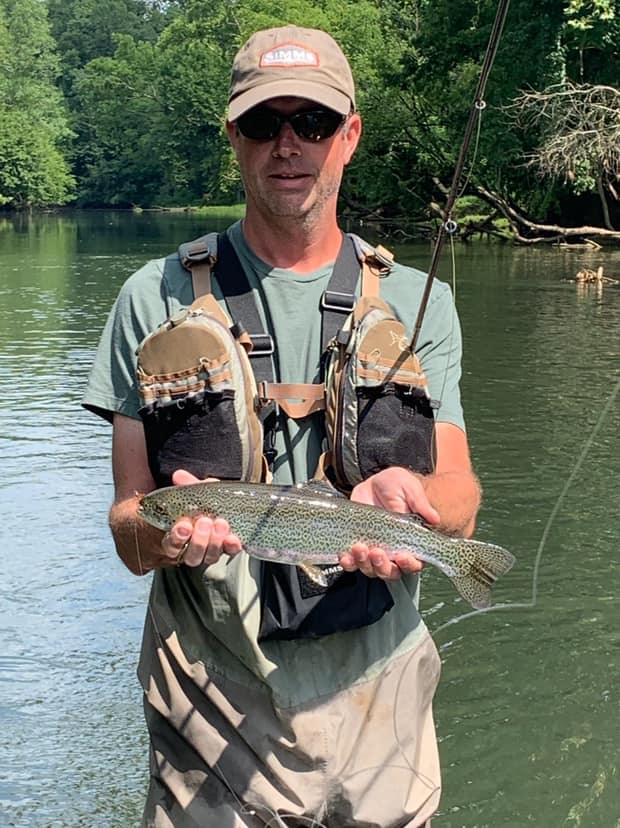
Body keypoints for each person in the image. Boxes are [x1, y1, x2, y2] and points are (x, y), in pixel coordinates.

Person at [84, 25, 481, 828]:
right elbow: (130, 527)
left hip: (380, 698)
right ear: (233, 137)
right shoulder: (149, 298)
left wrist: (419, 506)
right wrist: (165, 535)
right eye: (265, 124)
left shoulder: (420, 302)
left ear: (350, 136)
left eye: (314, 123)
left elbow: (462, 496)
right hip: (208, 702)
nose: (288, 145)